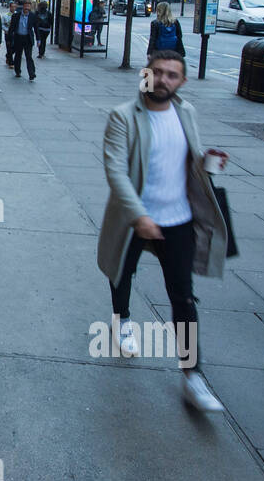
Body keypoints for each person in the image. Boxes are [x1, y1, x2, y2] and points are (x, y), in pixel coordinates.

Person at [97, 50, 230, 411]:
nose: (163, 80)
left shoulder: (186, 112)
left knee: (183, 296)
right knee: (122, 271)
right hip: (135, 217)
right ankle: (122, 319)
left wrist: (208, 163)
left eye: (172, 75)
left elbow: (186, 158)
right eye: (157, 72)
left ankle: (193, 375)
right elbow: (116, 172)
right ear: (146, 74)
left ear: (182, 81)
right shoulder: (123, 116)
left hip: (178, 218)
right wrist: (139, 216)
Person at [7, 0, 37, 80]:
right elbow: (11, 28)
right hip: (18, 37)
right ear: (23, 7)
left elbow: (36, 28)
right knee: (18, 55)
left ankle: (31, 73)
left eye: (28, 6)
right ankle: (17, 71)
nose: (27, 8)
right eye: (25, 6)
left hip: (28, 38)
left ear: (30, 7)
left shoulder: (32, 16)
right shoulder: (16, 16)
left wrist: (39, 40)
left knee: (29, 56)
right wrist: (9, 39)